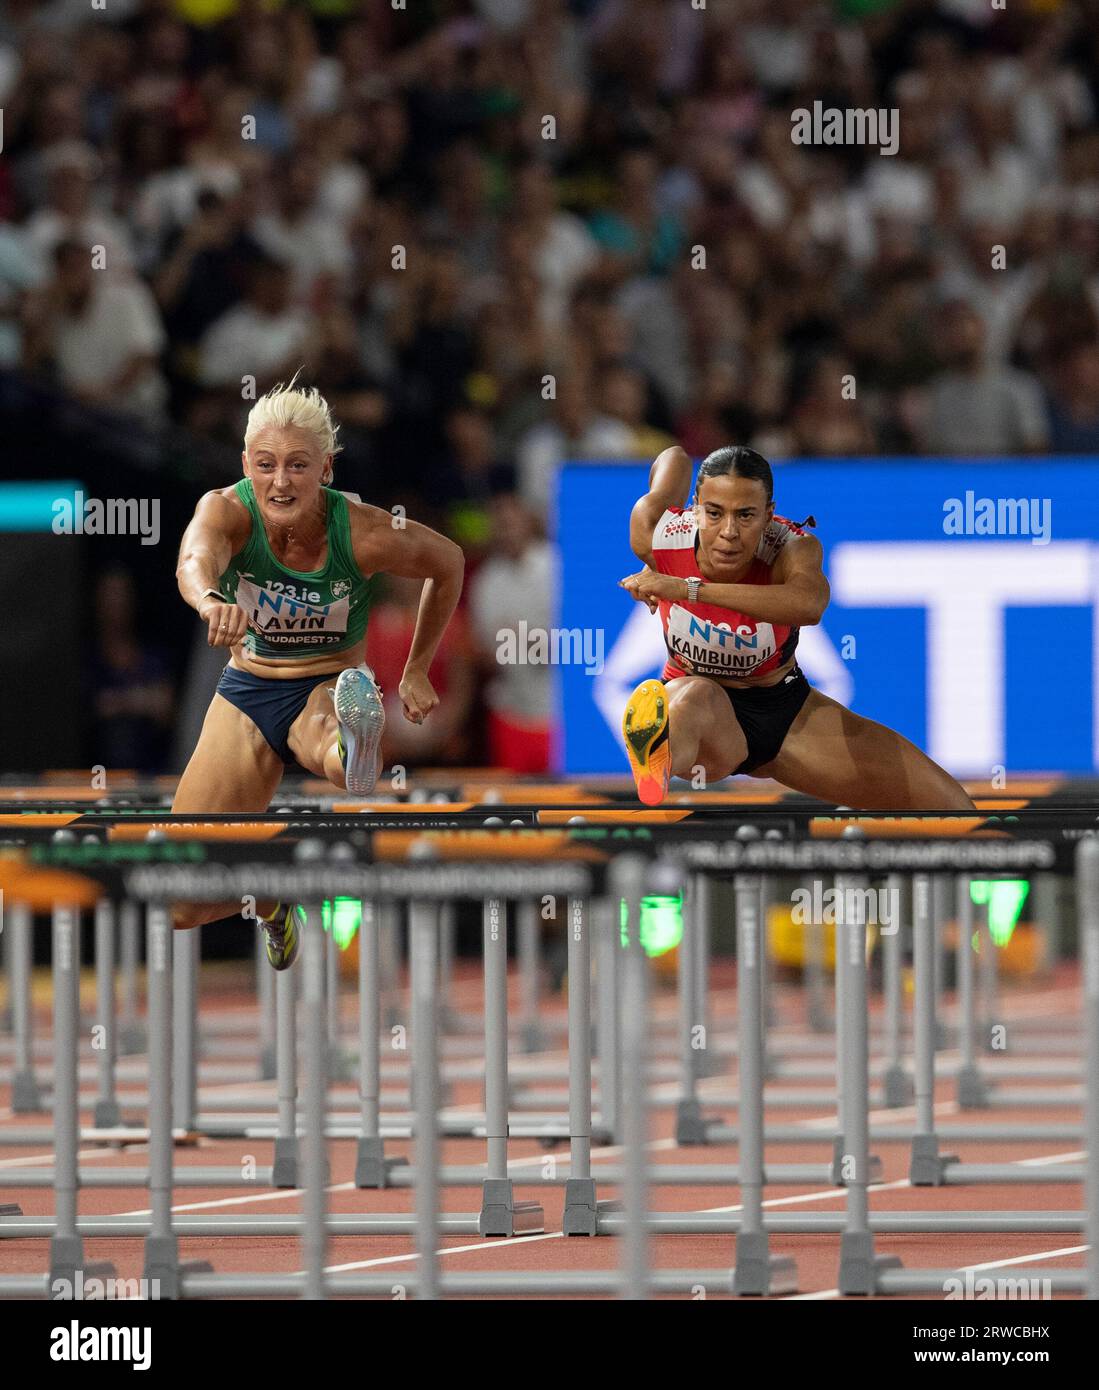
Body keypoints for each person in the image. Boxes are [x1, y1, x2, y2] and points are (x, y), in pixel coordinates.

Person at [172, 378, 465, 967]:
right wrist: (210, 600)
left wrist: (416, 668)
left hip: (325, 682)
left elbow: (448, 560)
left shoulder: (359, 529)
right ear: (246, 467)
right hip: (248, 691)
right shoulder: (227, 510)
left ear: (326, 468)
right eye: (267, 466)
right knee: (180, 901)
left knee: (337, 759)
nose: (281, 482)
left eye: (298, 466)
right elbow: (193, 558)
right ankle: (272, 895)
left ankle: (353, 744)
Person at [619, 445, 975, 811]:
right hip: (704, 717)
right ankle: (658, 754)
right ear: (695, 507)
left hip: (786, 713)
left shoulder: (792, 548)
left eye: (746, 516)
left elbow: (808, 605)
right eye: (714, 513)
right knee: (693, 697)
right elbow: (673, 457)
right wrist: (662, 566)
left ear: (768, 515)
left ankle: (995, 870)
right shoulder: (656, 534)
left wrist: (685, 588)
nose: (728, 532)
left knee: (954, 810)